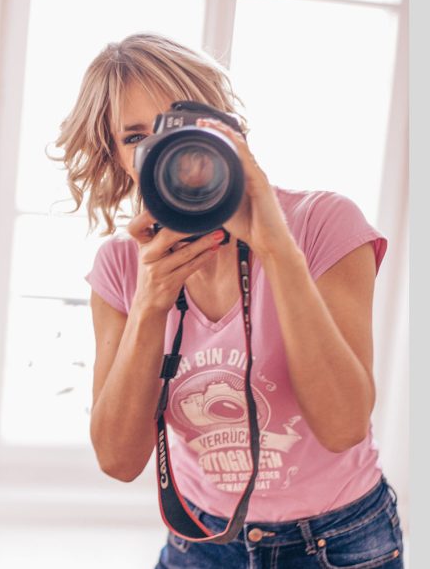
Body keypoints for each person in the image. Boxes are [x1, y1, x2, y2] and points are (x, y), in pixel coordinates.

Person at [52, 33, 403, 567]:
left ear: (224, 129)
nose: (164, 149)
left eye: (179, 124)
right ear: (119, 158)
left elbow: (343, 427)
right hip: (201, 540)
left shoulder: (323, 224)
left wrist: (275, 247)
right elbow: (118, 460)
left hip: (340, 540)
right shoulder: (122, 267)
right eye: (134, 137)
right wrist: (150, 303)